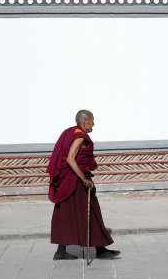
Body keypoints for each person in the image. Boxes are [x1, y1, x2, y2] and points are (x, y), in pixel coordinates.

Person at [47, 110, 120, 260]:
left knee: (65, 214)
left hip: (69, 181)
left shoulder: (72, 132)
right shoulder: (80, 136)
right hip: (76, 182)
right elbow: (70, 159)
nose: (94, 123)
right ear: (84, 122)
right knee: (92, 212)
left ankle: (61, 252)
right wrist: (84, 179)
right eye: (92, 120)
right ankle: (99, 250)